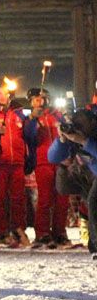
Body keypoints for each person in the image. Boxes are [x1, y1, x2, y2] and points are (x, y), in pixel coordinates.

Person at [0, 84, 38, 246]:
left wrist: (31, 120)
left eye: (5, 93)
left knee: (18, 197)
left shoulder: (18, 113)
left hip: (17, 161)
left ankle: (17, 228)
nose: (2, 96)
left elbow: (28, 135)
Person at [48, 109, 97, 258]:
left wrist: (84, 142)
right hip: (89, 175)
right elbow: (52, 157)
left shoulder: (90, 137)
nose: (78, 129)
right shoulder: (75, 137)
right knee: (66, 188)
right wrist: (62, 140)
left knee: (94, 201)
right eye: (76, 125)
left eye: (81, 125)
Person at [26, 88, 69, 246]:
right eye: (36, 99)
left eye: (42, 98)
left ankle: (60, 231)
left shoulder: (55, 115)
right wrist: (33, 120)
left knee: (62, 198)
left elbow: (67, 132)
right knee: (45, 198)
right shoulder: (32, 118)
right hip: (43, 161)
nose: (40, 101)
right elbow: (29, 137)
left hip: (60, 161)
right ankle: (42, 232)